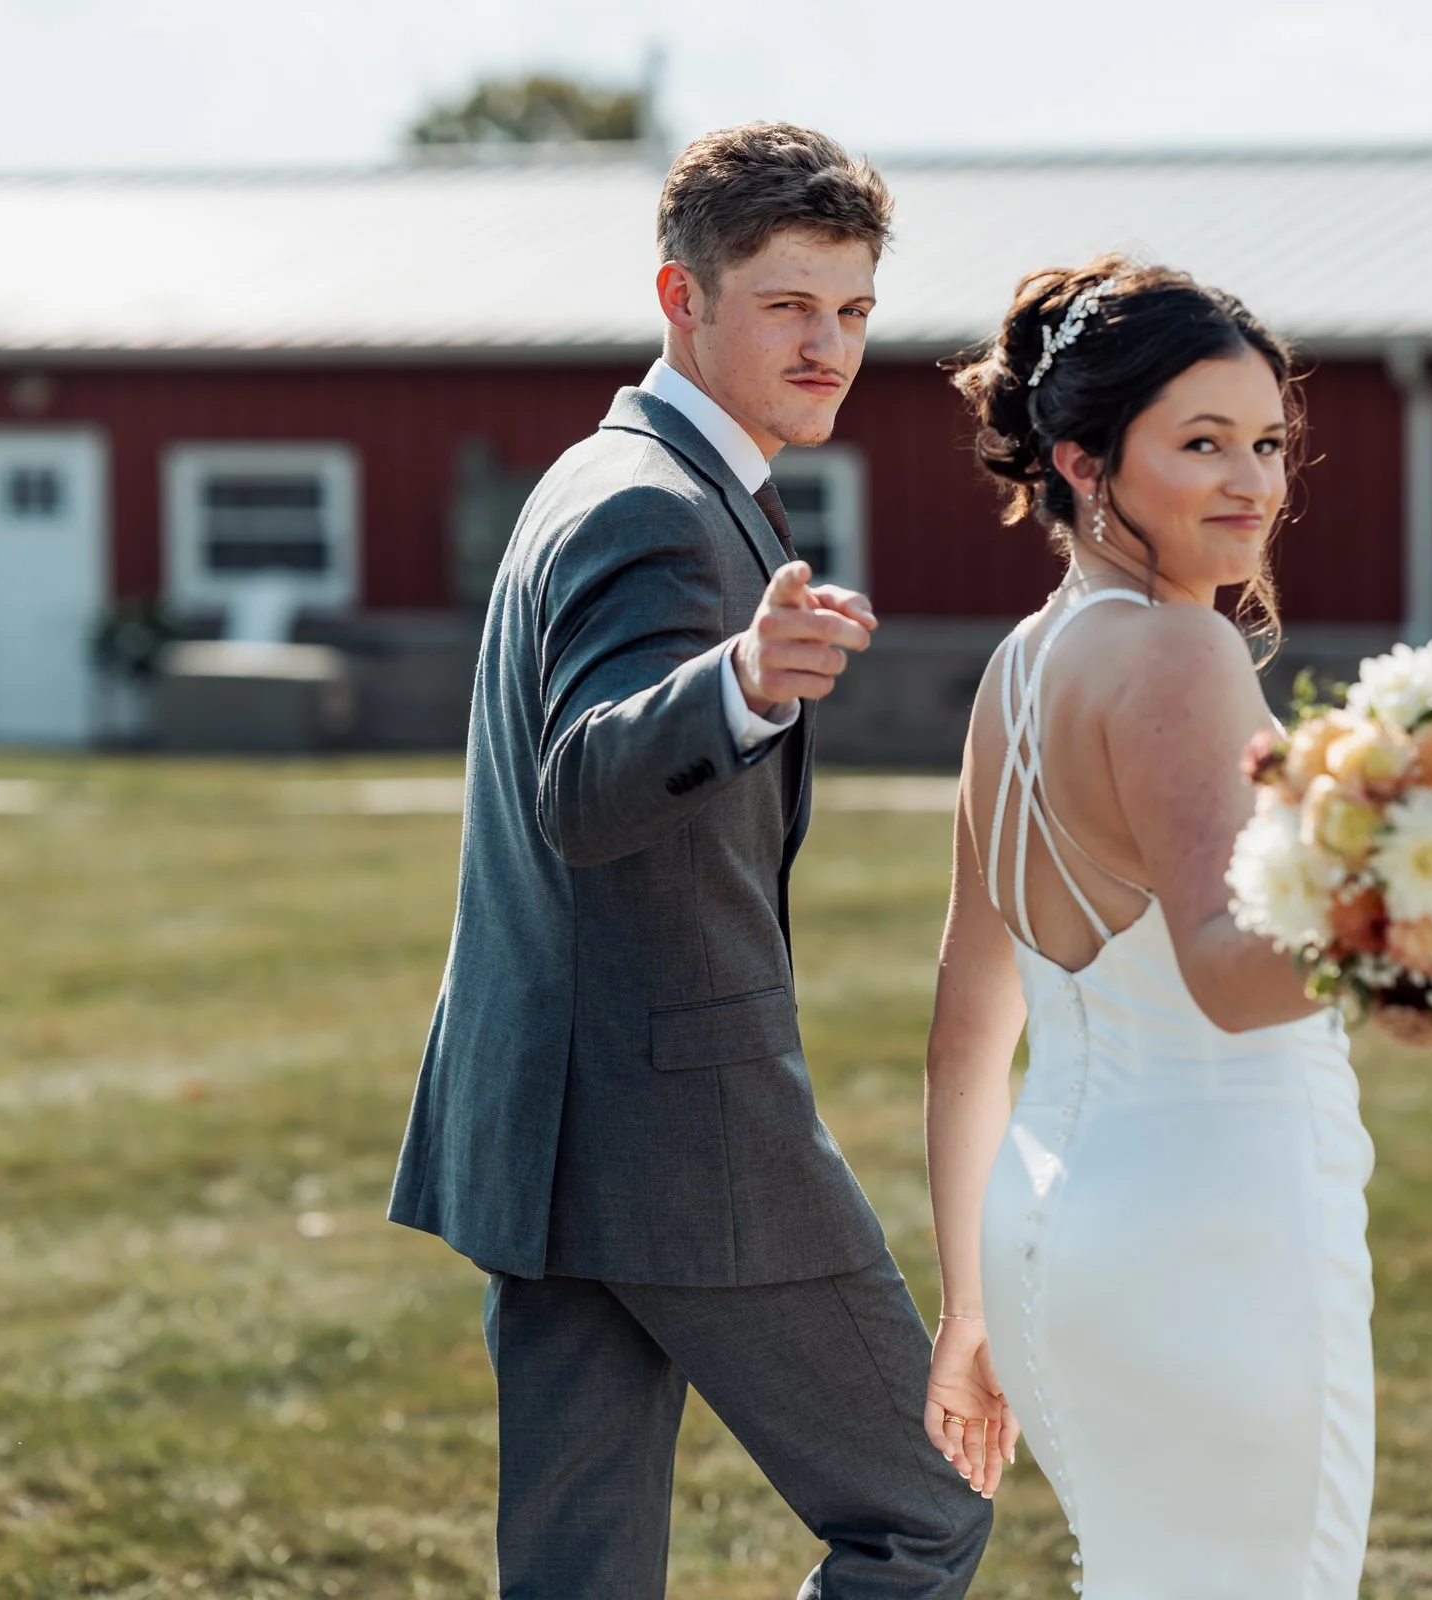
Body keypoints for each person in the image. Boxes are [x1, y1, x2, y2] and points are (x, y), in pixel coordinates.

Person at [389, 123, 992, 1599]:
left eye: (853, 309)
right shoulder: (657, 507)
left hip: (546, 1131)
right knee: (925, 1514)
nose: (830, 344)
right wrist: (739, 683)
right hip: (686, 1134)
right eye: (788, 304)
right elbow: (583, 784)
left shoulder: (601, 469)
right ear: (684, 297)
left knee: (578, 1575)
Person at [921, 258, 1376, 1597]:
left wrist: (968, 1308)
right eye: (1202, 443)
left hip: (1049, 1248)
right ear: (1082, 461)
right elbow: (1232, 980)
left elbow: (964, 1031)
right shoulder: (1180, 654)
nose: (1255, 481)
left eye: (1269, 443)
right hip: (1217, 1246)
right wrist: (1420, 905)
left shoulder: (1017, 668)